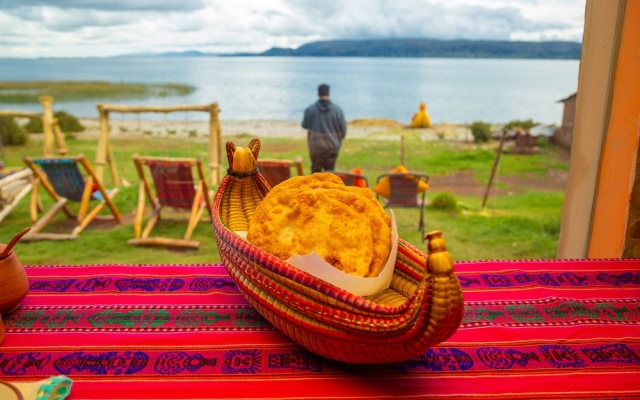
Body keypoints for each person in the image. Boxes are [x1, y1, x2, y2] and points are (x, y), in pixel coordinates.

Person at [302, 83, 347, 173]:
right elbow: (343, 131)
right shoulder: (338, 110)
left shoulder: (310, 109)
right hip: (332, 147)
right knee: (330, 174)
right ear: (328, 94)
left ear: (318, 94)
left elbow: (304, 125)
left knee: (315, 175)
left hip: (316, 147)